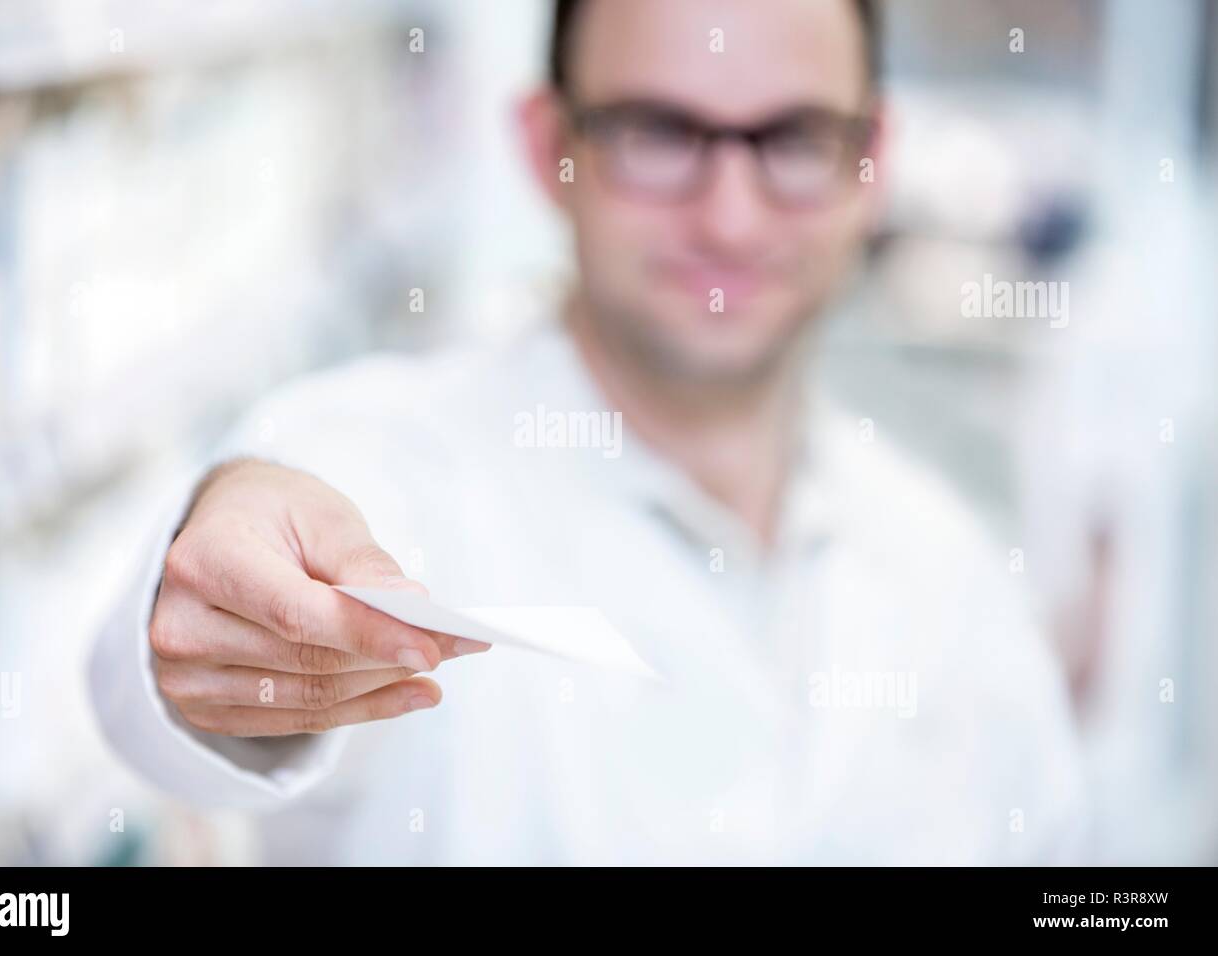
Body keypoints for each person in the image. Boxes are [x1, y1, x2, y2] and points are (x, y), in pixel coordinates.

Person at [89, 0, 1086, 864]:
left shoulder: (952, 575)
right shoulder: (385, 462)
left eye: (792, 139)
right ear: (545, 147)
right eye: (659, 132)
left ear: (869, 165)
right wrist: (226, 603)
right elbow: (194, 659)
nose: (729, 217)